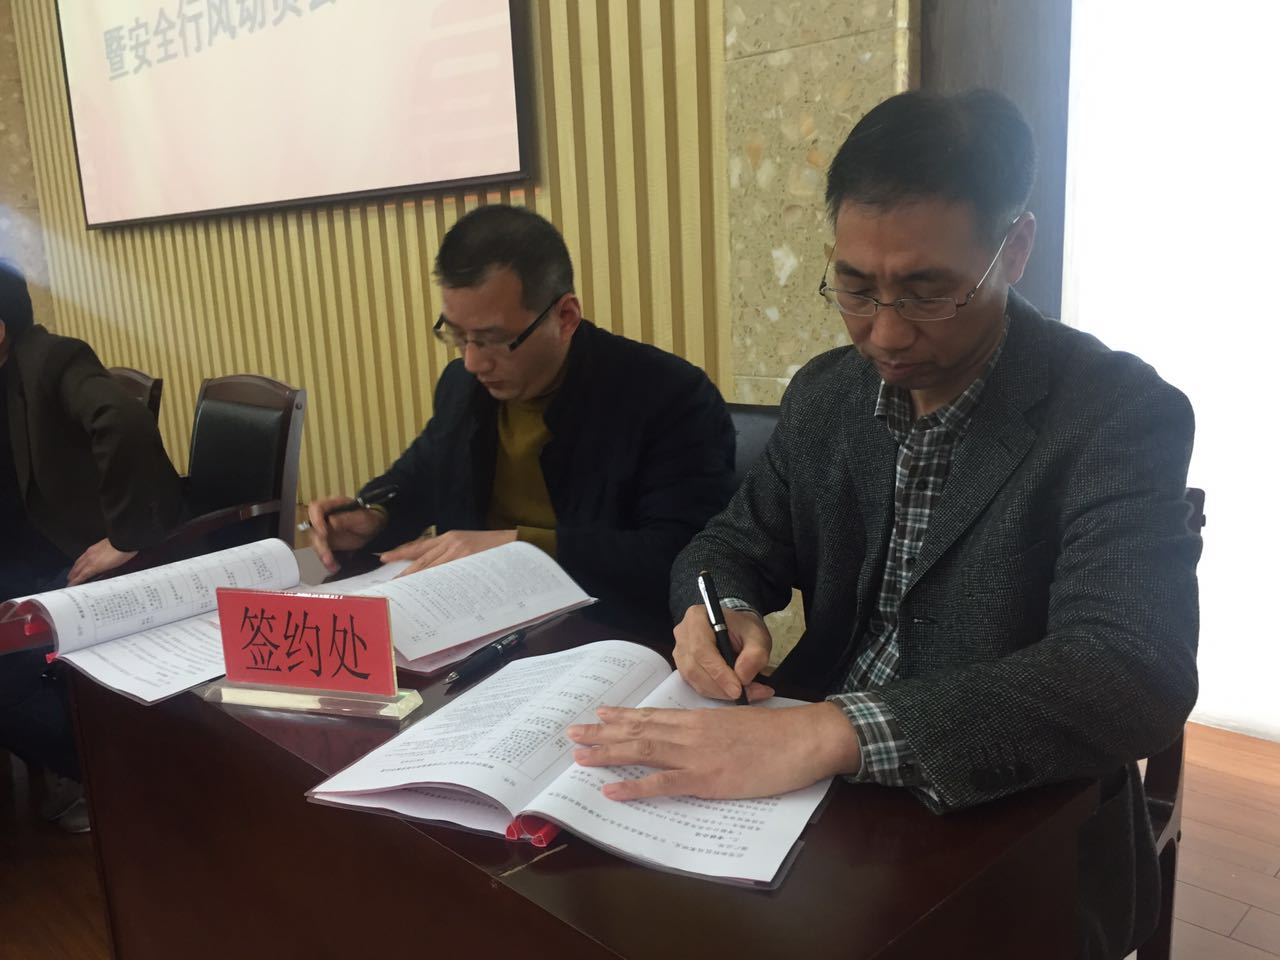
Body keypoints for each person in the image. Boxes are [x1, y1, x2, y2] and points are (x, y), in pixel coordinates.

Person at [565, 90, 1200, 959]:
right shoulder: (827, 394)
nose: (885, 334)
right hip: (809, 803)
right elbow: (728, 544)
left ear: (1015, 248)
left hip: (1015, 828)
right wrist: (719, 612)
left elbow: (1133, 671)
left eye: (929, 292)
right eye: (856, 289)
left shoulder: (1115, 412)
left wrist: (834, 732)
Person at [306, 205, 735, 625]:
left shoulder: (668, 395)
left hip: (605, 629)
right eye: (457, 335)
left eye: (493, 339)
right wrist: (373, 515)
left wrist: (518, 548)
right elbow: (422, 476)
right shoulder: (463, 386)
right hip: (471, 623)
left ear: (565, 317)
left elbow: (684, 556)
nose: (473, 361)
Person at [1, 258, 185, 831]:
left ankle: (115, 777)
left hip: (67, 565)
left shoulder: (52, 359)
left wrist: (127, 535)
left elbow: (123, 420)